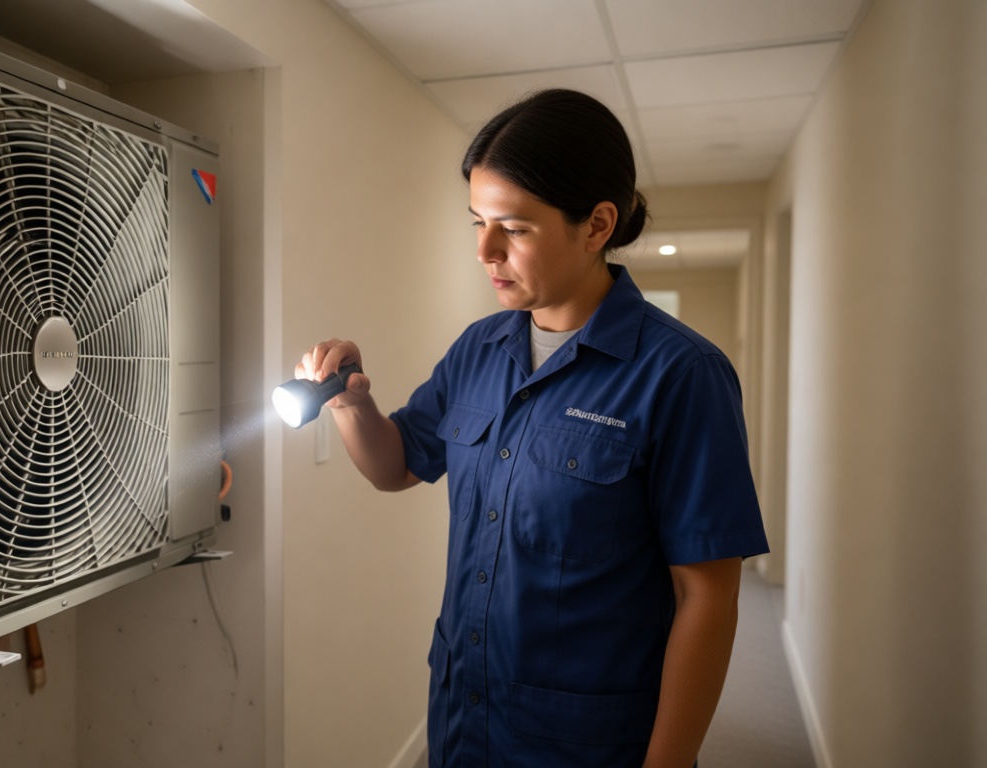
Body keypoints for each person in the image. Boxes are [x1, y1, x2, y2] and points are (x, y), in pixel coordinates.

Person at [293, 89, 769, 767]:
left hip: (585, 739)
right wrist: (350, 404)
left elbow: (708, 595)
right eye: (476, 222)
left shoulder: (682, 374)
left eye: (513, 228)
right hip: (466, 716)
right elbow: (397, 467)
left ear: (598, 224)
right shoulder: (478, 350)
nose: (485, 250)